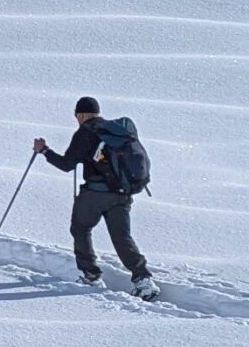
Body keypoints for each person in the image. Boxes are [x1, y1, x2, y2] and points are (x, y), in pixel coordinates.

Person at [35, 96, 162, 300]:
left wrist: (45, 151)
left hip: (94, 194)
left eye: (77, 115)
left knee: (81, 229)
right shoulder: (117, 132)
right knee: (122, 237)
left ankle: (91, 275)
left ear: (82, 114)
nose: (77, 119)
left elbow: (67, 164)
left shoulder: (86, 131)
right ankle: (143, 279)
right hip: (122, 194)